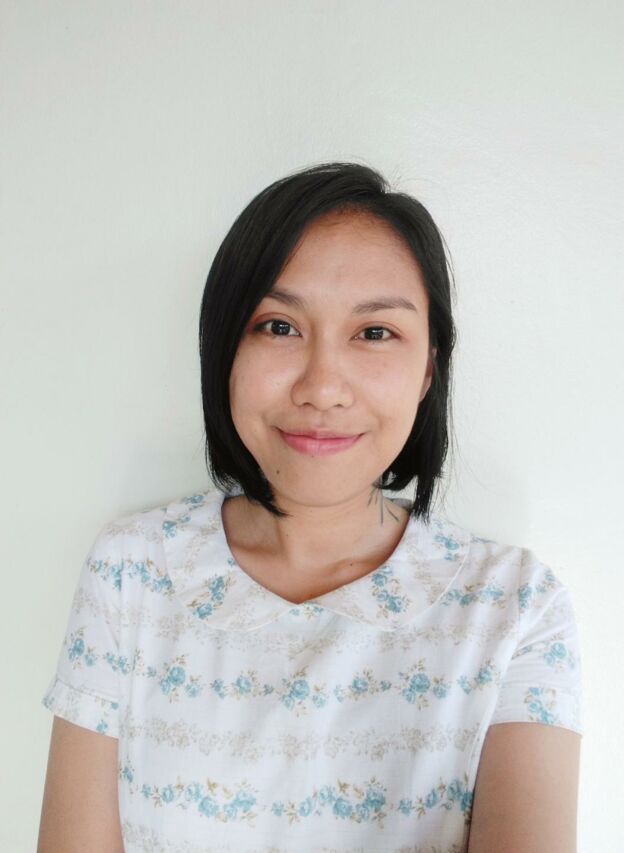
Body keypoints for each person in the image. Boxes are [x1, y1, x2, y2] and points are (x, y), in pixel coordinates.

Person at [37, 162, 583, 852]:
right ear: (224, 350)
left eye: (375, 332)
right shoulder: (130, 572)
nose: (323, 387)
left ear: (428, 368)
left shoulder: (514, 609)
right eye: (278, 326)